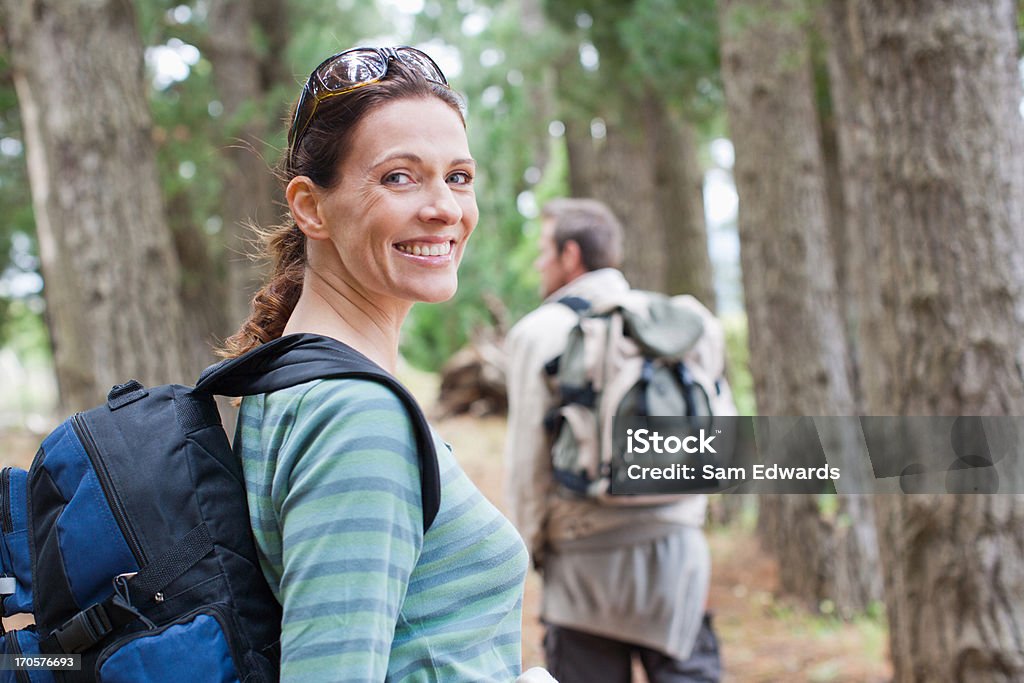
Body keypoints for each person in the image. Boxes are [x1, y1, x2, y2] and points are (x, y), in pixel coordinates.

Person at [219, 46, 551, 682]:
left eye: (458, 177)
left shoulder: (296, 381)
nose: (444, 209)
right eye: (399, 177)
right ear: (311, 207)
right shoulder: (356, 417)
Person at [504, 198, 723, 682]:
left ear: (571, 256)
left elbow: (527, 466)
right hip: (677, 556)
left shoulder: (538, 333)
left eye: (545, 251)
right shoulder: (683, 322)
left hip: (584, 562)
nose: (540, 264)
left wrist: (530, 552)